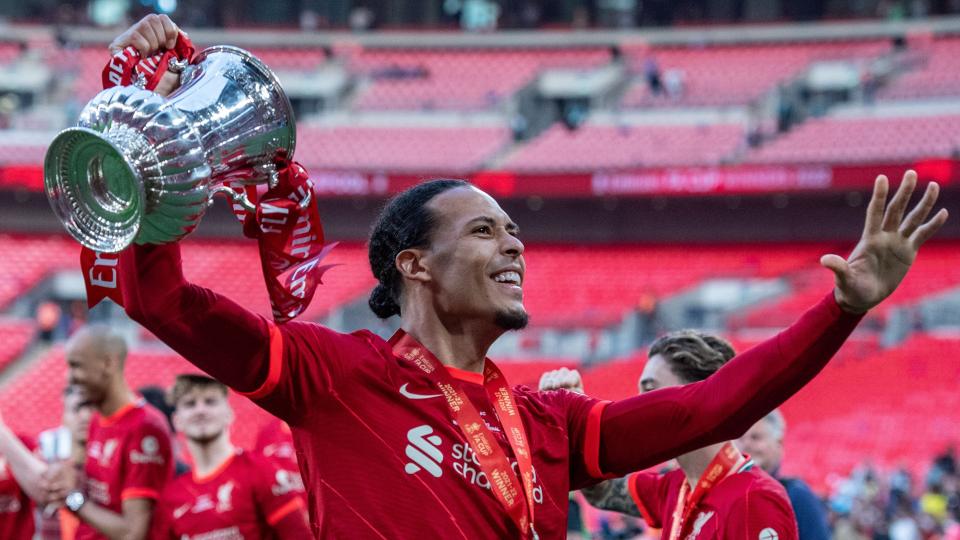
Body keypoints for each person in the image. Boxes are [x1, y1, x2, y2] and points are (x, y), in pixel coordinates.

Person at [113, 14, 947, 538]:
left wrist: (841, 310)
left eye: (515, 232)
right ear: (416, 266)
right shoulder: (332, 374)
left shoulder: (549, 425)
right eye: (484, 231)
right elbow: (163, 301)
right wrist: (155, 154)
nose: (515, 248)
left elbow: (712, 405)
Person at [540, 332, 799, 539]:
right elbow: (602, 492)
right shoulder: (676, 486)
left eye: (651, 390)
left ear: (697, 396)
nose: (638, 407)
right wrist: (574, 421)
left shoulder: (753, 498)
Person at [0, 325, 174, 540]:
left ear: (108, 364)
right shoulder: (97, 421)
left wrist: (73, 499)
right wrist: (64, 475)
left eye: (76, 366)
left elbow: (132, 533)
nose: (70, 377)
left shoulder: (145, 428)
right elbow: (77, 482)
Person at [151, 374, 310, 538]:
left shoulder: (262, 471)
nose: (200, 410)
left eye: (210, 401)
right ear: (177, 421)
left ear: (229, 414)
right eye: (190, 404)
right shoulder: (170, 498)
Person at [739, 410, 831, 540]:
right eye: (740, 439)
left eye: (756, 438)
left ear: (779, 443)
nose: (746, 445)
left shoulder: (797, 496)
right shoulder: (728, 495)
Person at [35, 384, 94, 540]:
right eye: (76, 409)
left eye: (90, 408)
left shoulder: (108, 464)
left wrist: (72, 499)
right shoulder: (50, 458)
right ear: (64, 417)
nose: (85, 416)